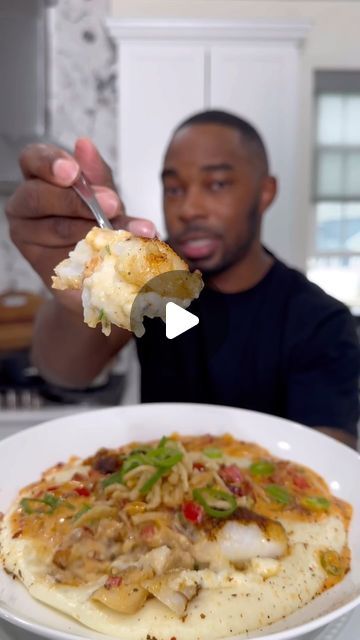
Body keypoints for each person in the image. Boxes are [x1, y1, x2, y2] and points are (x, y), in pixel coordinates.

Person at [6, 110, 359, 447]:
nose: (189, 209)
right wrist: (84, 297)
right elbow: (64, 372)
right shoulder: (152, 284)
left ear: (265, 192)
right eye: (174, 189)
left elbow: (330, 457)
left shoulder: (320, 320)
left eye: (217, 184)